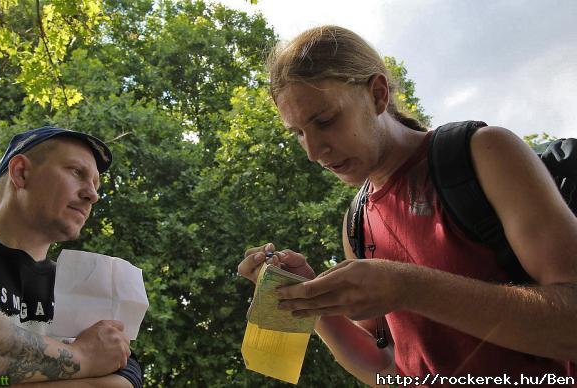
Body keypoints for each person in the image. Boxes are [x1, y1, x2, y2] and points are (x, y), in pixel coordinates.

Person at [238, 25, 577, 386]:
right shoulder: (358, 221)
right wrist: (308, 300)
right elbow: (387, 368)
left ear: (378, 94)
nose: (313, 151)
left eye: (325, 121)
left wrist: (407, 287)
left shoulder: (484, 153)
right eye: (299, 133)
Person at [0, 126, 142, 387]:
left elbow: (122, 382)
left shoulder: (92, 285)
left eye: (95, 184)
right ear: (21, 172)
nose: (93, 194)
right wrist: (83, 357)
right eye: (77, 172)